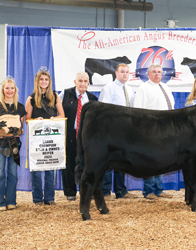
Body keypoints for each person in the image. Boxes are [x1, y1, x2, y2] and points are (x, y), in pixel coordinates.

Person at [134, 64, 175, 200]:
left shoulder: (165, 87)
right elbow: (138, 111)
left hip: (165, 129)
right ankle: (148, 190)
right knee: (150, 160)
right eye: (154, 72)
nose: (157, 74)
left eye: (159, 72)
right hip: (151, 129)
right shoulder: (143, 88)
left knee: (162, 160)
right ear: (148, 74)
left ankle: (158, 189)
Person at [25, 67, 65, 205]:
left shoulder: (55, 96)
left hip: (52, 138)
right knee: (36, 169)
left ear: (49, 82)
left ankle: (49, 198)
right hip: (36, 140)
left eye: (46, 79)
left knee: (50, 168)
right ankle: (37, 199)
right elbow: (27, 118)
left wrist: (55, 119)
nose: (44, 81)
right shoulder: (31, 98)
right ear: (37, 81)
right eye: (41, 79)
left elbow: (62, 115)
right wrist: (34, 121)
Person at [98, 64, 137, 201]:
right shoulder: (108, 88)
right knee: (109, 161)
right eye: (122, 72)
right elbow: (103, 111)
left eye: (127, 72)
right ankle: (106, 191)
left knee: (122, 161)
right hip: (111, 130)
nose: (125, 74)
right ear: (116, 73)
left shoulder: (130, 90)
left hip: (126, 131)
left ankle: (120, 190)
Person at [59, 71, 98, 201]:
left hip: (86, 138)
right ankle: (70, 193)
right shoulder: (65, 94)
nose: (83, 84)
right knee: (69, 164)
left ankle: (84, 191)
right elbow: (57, 110)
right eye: (80, 81)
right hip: (69, 135)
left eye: (85, 81)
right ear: (75, 82)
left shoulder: (93, 99)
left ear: (88, 83)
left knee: (86, 165)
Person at [0, 76, 26, 211]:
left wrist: (19, 131)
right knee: (0, 172)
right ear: (3, 90)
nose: (9, 90)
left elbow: (20, 127)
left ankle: (11, 200)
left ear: (15, 89)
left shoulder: (20, 107)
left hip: (14, 144)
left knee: (12, 173)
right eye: (7, 88)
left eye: (12, 88)